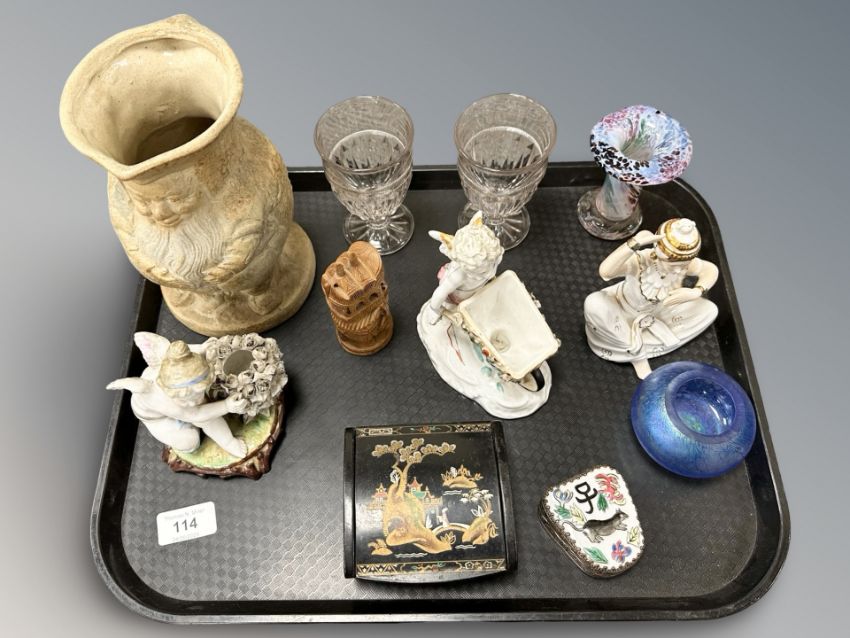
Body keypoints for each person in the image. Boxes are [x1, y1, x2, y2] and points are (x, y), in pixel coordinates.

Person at [584, 218, 719, 378]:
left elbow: (710, 270)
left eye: (683, 265)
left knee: (710, 310)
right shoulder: (641, 261)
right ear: (660, 254)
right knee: (594, 303)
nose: (679, 270)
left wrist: (696, 291)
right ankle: (637, 353)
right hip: (620, 310)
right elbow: (606, 272)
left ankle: (640, 343)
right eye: (674, 265)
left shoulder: (684, 264)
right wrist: (633, 244)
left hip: (658, 313)